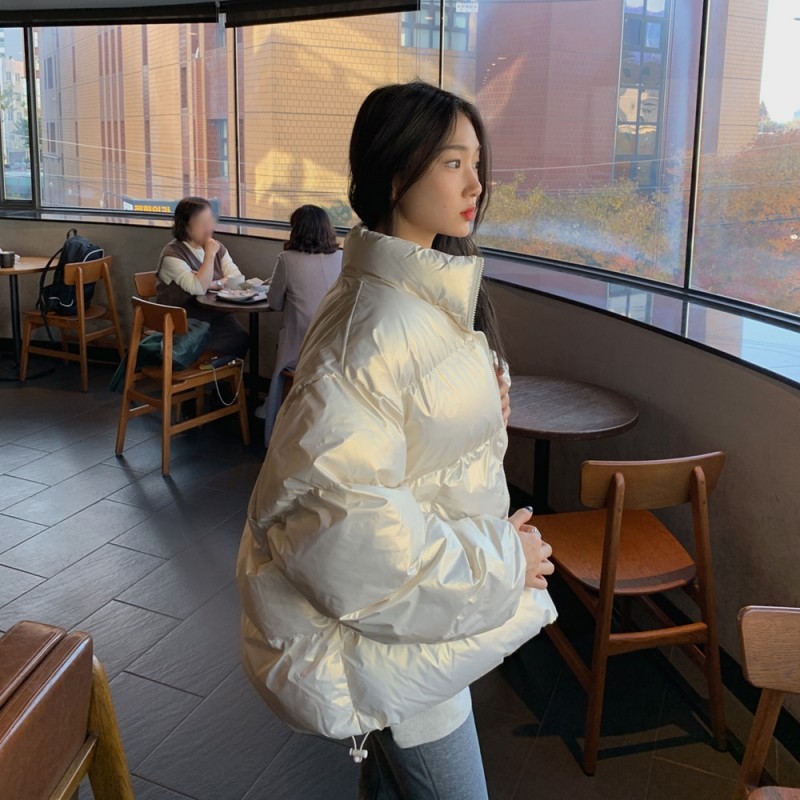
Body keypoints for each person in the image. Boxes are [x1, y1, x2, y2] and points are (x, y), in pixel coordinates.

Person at [237, 81, 557, 800]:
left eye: (477, 162)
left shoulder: (417, 297)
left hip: (415, 628)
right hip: (396, 643)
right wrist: (503, 561)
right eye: (452, 162)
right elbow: (339, 530)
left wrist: (485, 398)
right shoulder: (373, 326)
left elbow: (415, 442)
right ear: (394, 174)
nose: (476, 184)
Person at [255, 205, 342, 444]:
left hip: (300, 349)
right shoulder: (342, 257)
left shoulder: (287, 259)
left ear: (297, 230)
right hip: (336, 347)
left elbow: (274, 303)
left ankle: (273, 411)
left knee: (282, 344)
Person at [156, 196, 249, 359]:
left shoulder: (217, 248)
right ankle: (208, 373)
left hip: (215, 317)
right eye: (202, 222)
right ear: (185, 225)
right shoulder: (172, 254)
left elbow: (237, 279)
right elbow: (198, 288)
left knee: (241, 337)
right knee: (234, 339)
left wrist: (213, 284)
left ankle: (216, 374)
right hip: (185, 325)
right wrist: (210, 255)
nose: (209, 227)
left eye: (210, 221)